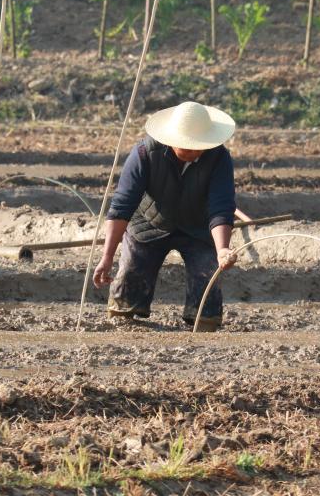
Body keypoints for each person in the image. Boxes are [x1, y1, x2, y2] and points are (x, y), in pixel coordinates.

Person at [93, 101, 239, 331]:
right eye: (187, 147)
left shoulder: (219, 159)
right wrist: (107, 256)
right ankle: (124, 315)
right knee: (131, 274)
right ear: (172, 140)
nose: (193, 151)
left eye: (199, 146)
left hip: (198, 227)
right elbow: (122, 206)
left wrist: (222, 249)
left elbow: (221, 208)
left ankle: (203, 320)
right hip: (149, 222)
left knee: (207, 281)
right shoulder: (145, 153)